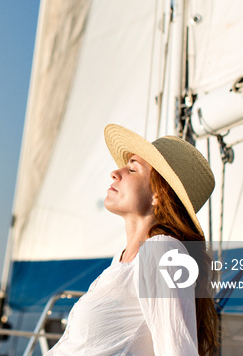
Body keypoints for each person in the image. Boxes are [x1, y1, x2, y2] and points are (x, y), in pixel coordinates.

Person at [45, 124, 219, 356]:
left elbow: (177, 350)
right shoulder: (123, 258)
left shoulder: (163, 251)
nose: (115, 173)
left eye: (133, 170)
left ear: (159, 194)